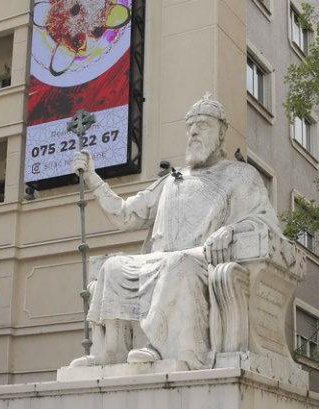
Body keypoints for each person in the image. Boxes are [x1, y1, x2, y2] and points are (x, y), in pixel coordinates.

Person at [70, 94, 283, 370]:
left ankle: (159, 347)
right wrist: (92, 178)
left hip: (202, 260)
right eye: (189, 126)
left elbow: (266, 222)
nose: (193, 132)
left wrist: (232, 230)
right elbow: (125, 215)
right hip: (160, 261)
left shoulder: (240, 174)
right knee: (114, 267)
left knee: (178, 262)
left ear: (221, 133)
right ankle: (111, 353)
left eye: (202, 125)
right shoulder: (173, 179)